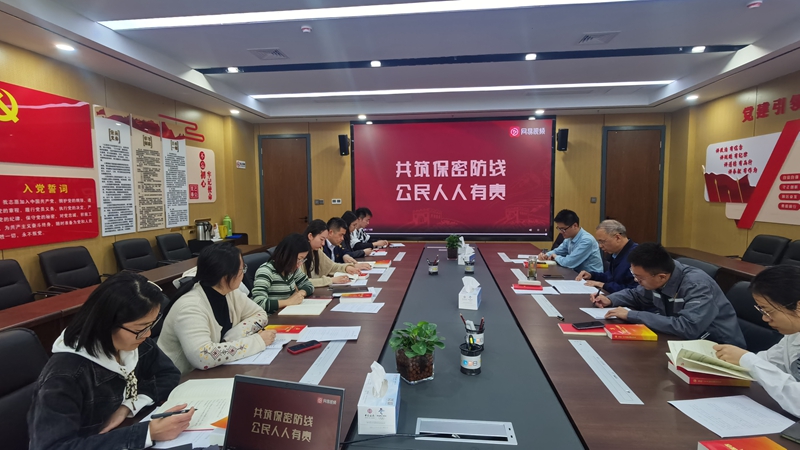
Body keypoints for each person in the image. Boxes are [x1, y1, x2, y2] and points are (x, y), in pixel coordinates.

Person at [28, 272, 192, 450]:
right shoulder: (65, 375)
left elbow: (168, 374)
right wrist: (147, 433)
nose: (148, 334)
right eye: (141, 328)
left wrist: (127, 407)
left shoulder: (133, 341)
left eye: (150, 325)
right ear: (107, 324)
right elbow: (53, 446)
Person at [591, 243, 745, 347]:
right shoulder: (659, 276)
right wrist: (610, 299)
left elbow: (687, 327)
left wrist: (632, 315)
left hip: (718, 347)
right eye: (634, 275)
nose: (636, 281)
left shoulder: (697, 286)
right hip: (683, 341)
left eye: (640, 278)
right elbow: (637, 295)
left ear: (662, 277)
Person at [158, 243, 274, 375]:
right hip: (181, 378)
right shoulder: (190, 307)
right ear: (225, 276)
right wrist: (257, 342)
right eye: (241, 269)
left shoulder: (230, 292)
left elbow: (260, 314)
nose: (243, 274)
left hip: (215, 371)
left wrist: (232, 337)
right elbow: (203, 357)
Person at [714, 265, 800, 417]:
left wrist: (749, 360)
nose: (765, 318)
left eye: (768, 311)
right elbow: (769, 362)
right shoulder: (793, 335)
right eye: (761, 311)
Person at [252, 233, 316, 313]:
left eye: (302, 260)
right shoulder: (266, 271)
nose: (299, 264)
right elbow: (258, 303)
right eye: (299, 259)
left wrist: (301, 293)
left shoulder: (291, 270)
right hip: (273, 317)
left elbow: (308, 285)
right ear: (288, 255)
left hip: (289, 313)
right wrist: (288, 302)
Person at [575, 220, 638, 293]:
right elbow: (610, 277)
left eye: (602, 242)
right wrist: (592, 275)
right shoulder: (615, 252)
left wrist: (603, 285)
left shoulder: (637, 256)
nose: (600, 246)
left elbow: (634, 290)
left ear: (617, 237)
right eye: (599, 242)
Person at [538, 209, 603, 273]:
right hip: (575, 273)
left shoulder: (587, 240)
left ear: (575, 226)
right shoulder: (569, 238)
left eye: (563, 229)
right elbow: (558, 251)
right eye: (559, 228)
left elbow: (568, 263)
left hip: (591, 277)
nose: (560, 232)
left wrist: (555, 256)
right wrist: (546, 255)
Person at [303, 219, 360, 287]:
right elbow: (302, 282)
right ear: (310, 236)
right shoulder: (300, 255)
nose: (323, 244)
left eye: (324, 240)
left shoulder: (317, 251)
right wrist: (331, 280)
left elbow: (331, 266)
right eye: (321, 239)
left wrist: (346, 268)